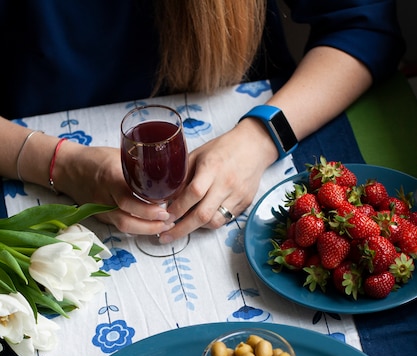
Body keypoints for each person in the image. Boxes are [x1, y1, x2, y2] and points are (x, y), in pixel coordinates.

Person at [0, 0, 405, 244]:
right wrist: (61, 164)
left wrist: (261, 138)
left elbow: (362, 24)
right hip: (28, 157)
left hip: (265, 127)